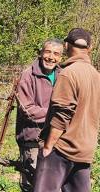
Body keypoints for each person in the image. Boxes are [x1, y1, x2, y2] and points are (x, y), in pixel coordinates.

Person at [34, 28, 100, 192]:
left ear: (66, 45)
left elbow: (62, 114)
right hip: (84, 150)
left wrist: (48, 146)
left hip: (61, 149)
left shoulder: (68, 73)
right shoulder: (96, 76)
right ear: (90, 48)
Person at [15, 39, 63, 192]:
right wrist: (54, 114)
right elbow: (26, 109)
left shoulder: (63, 75)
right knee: (32, 183)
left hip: (56, 140)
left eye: (56, 53)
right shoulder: (28, 75)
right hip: (33, 141)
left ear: (61, 57)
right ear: (41, 53)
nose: (51, 57)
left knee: (52, 186)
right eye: (48, 52)